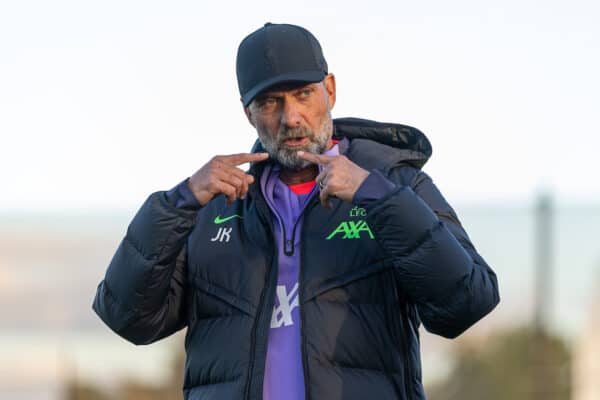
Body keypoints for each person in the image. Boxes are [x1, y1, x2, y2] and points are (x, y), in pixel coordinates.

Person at [93, 22, 500, 400]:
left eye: (304, 94)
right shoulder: (212, 206)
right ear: (247, 112)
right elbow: (127, 317)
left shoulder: (395, 186)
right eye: (270, 102)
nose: (291, 117)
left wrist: (377, 197)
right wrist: (176, 202)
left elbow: (467, 302)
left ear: (331, 89)